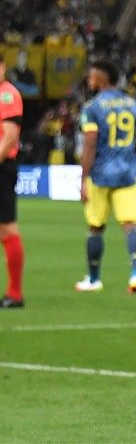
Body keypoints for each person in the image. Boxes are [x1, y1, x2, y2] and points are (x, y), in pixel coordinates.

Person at [75, 60, 136, 294]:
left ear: (102, 78)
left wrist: (83, 178)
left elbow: (90, 143)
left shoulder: (93, 107)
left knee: (96, 226)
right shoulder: (133, 105)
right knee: (131, 226)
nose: (89, 80)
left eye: (92, 76)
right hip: (127, 173)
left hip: (100, 174)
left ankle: (94, 279)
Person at [0, 54, 25, 309]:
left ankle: (15, 294)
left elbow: (9, 138)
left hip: (2, 167)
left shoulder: (7, 94)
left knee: (7, 228)